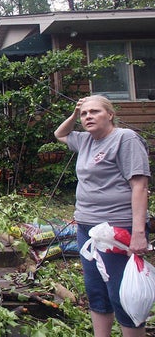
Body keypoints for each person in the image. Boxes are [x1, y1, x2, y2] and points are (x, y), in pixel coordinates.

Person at [54, 95, 151, 337]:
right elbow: (60, 133)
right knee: (96, 290)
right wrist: (75, 114)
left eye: (94, 112)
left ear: (110, 115)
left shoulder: (125, 139)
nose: (88, 117)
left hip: (117, 228)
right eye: (85, 114)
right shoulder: (85, 141)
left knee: (122, 292)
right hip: (87, 227)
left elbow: (139, 185)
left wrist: (138, 234)